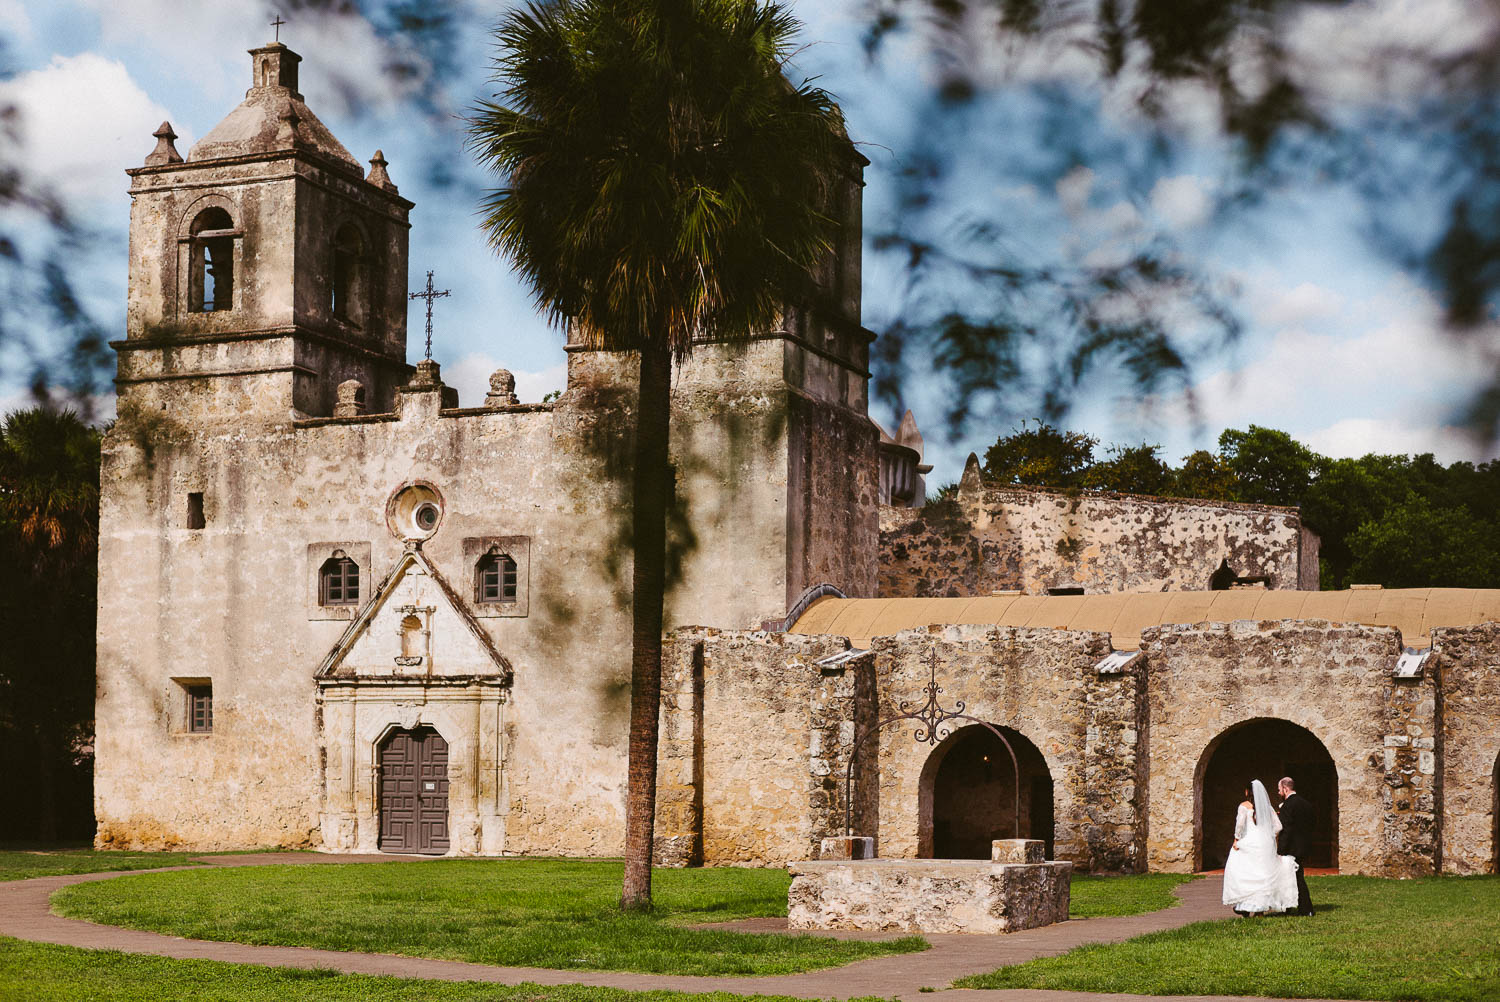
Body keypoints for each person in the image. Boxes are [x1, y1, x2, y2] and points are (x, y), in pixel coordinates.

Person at [1221, 779, 1299, 916]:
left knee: (1246, 872)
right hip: (1264, 844)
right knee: (1263, 874)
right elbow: (1278, 827)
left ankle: (1245, 904)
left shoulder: (1244, 806)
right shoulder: (1267, 808)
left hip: (1249, 842)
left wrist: (1236, 840)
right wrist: (1270, 836)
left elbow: (1239, 826)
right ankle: (1260, 910)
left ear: (1247, 792)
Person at [1277, 776, 1316, 916]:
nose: (1278, 792)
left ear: (1285, 789)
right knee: (1297, 876)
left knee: (1294, 878)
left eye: (1279, 790)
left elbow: (1286, 829)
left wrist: (1280, 850)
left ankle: (1305, 908)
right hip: (1303, 846)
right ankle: (1294, 907)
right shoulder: (1306, 804)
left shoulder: (1287, 806)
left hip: (1290, 848)